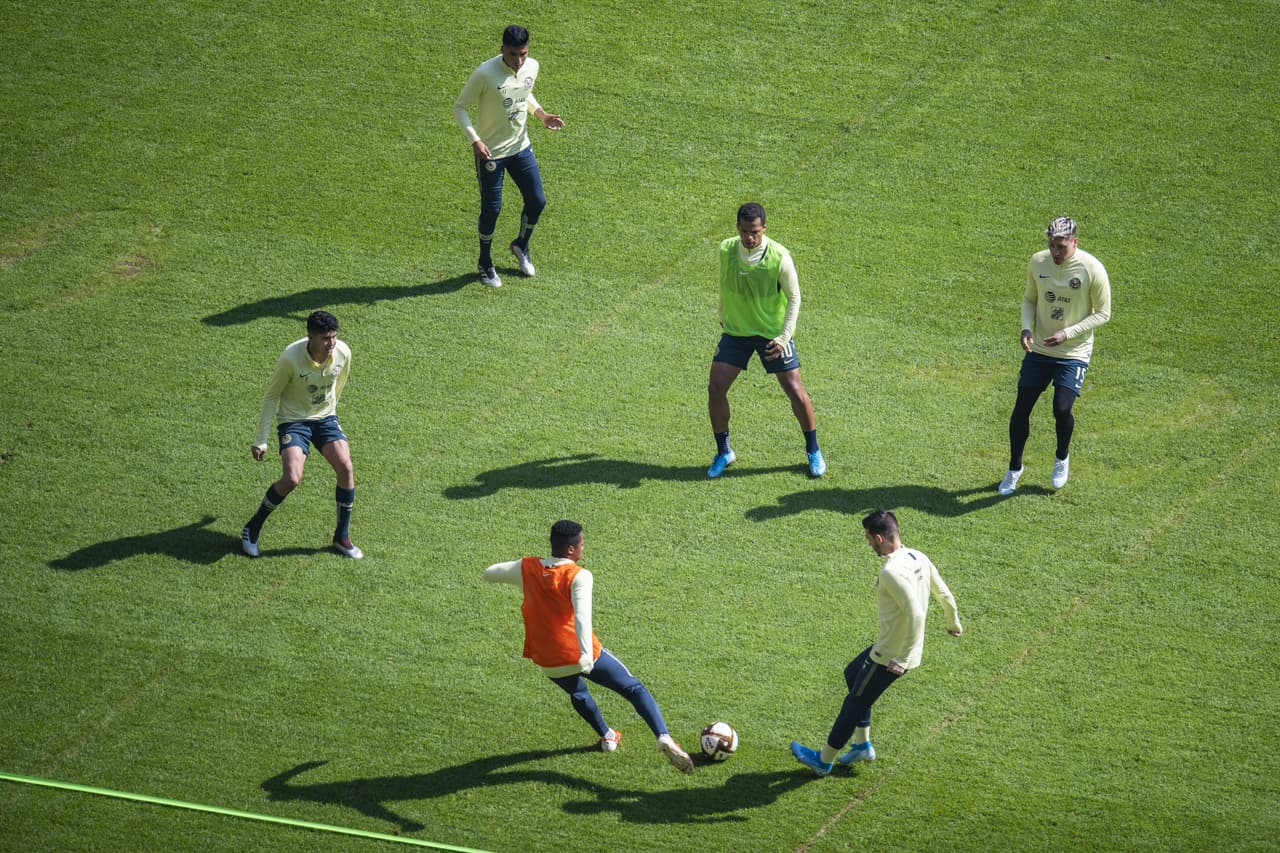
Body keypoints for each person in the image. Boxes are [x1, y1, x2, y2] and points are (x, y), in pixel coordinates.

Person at [482, 520, 694, 773]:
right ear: (571, 549)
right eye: (582, 543)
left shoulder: (526, 568)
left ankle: (607, 737)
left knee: (578, 693)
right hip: (579, 653)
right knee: (634, 689)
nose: (584, 547)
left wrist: (523, 573)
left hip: (547, 659)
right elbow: (582, 618)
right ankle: (664, 737)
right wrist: (585, 655)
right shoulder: (579, 576)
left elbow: (489, 573)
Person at [790, 509, 962, 776]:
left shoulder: (891, 572)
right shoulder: (917, 556)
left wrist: (902, 658)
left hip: (889, 655)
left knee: (854, 704)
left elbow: (916, 614)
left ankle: (823, 760)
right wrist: (954, 623)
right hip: (895, 647)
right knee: (852, 674)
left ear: (879, 538)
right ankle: (862, 745)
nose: (869, 543)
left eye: (869, 538)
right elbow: (944, 594)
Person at [707, 202, 825, 479]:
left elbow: (794, 298)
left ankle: (813, 450)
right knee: (715, 388)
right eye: (745, 231)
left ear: (764, 229)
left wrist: (784, 337)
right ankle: (724, 452)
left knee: (795, 390)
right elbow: (725, 283)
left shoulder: (780, 257)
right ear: (737, 228)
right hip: (737, 331)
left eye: (755, 232)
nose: (750, 237)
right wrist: (722, 313)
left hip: (772, 335)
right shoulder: (726, 249)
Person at [999, 216, 1111, 495]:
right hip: (1040, 348)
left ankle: (1062, 457)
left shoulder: (1092, 269)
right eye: (1052, 245)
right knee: (1021, 409)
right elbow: (1030, 299)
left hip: (1074, 351)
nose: (1055, 252)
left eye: (1061, 246)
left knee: (1061, 409)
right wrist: (1026, 328)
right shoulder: (1038, 262)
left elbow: (1103, 313)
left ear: (1075, 242)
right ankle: (1014, 469)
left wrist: (1067, 333)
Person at [241, 310, 362, 560]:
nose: (331, 343)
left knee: (346, 468)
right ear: (310, 337)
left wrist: (331, 411)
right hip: (294, 421)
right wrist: (261, 439)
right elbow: (271, 396)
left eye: (334, 336)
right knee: (292, 478)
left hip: (325, 418)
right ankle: (252, 528)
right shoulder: (290, 358)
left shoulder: (343, 352)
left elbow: (340, 382)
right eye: (325, 338)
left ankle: (341, 537)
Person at [453, 24, 564, 289]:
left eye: (523, 54)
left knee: (537, 200)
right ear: (502, 49)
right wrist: (475, 140)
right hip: (491, 154)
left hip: (520, 147)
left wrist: (541, 115)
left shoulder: (532, 67)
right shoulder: (485, 73)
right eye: (513, 54)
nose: (519, 60)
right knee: (492, 210)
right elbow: (460, 107)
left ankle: (521, 245)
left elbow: (523, 93)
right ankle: (485, 262)